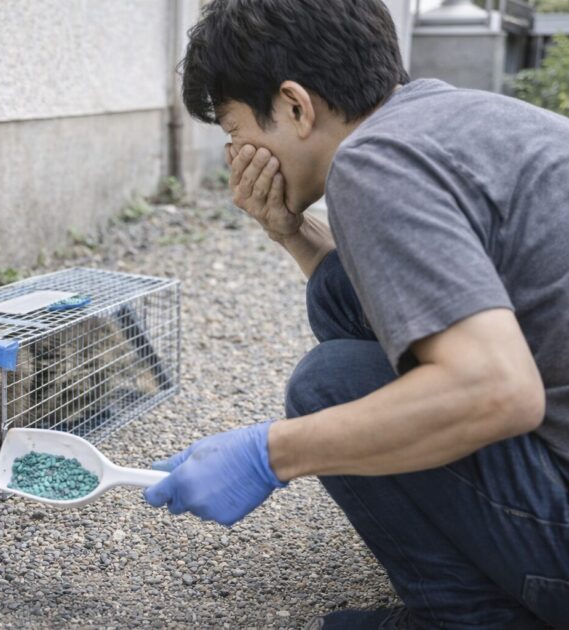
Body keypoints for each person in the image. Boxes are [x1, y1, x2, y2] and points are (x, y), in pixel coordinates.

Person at [142, 1, 569, 628]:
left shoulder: (374, 163)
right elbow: (382, 293)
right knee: (341, 291)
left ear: (294, 105)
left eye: (235, 132)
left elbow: (497, 389)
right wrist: (289, 231)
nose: (237, 155)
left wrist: (272, 454)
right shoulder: (450, 117)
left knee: (331, 383)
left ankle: (474, 617)